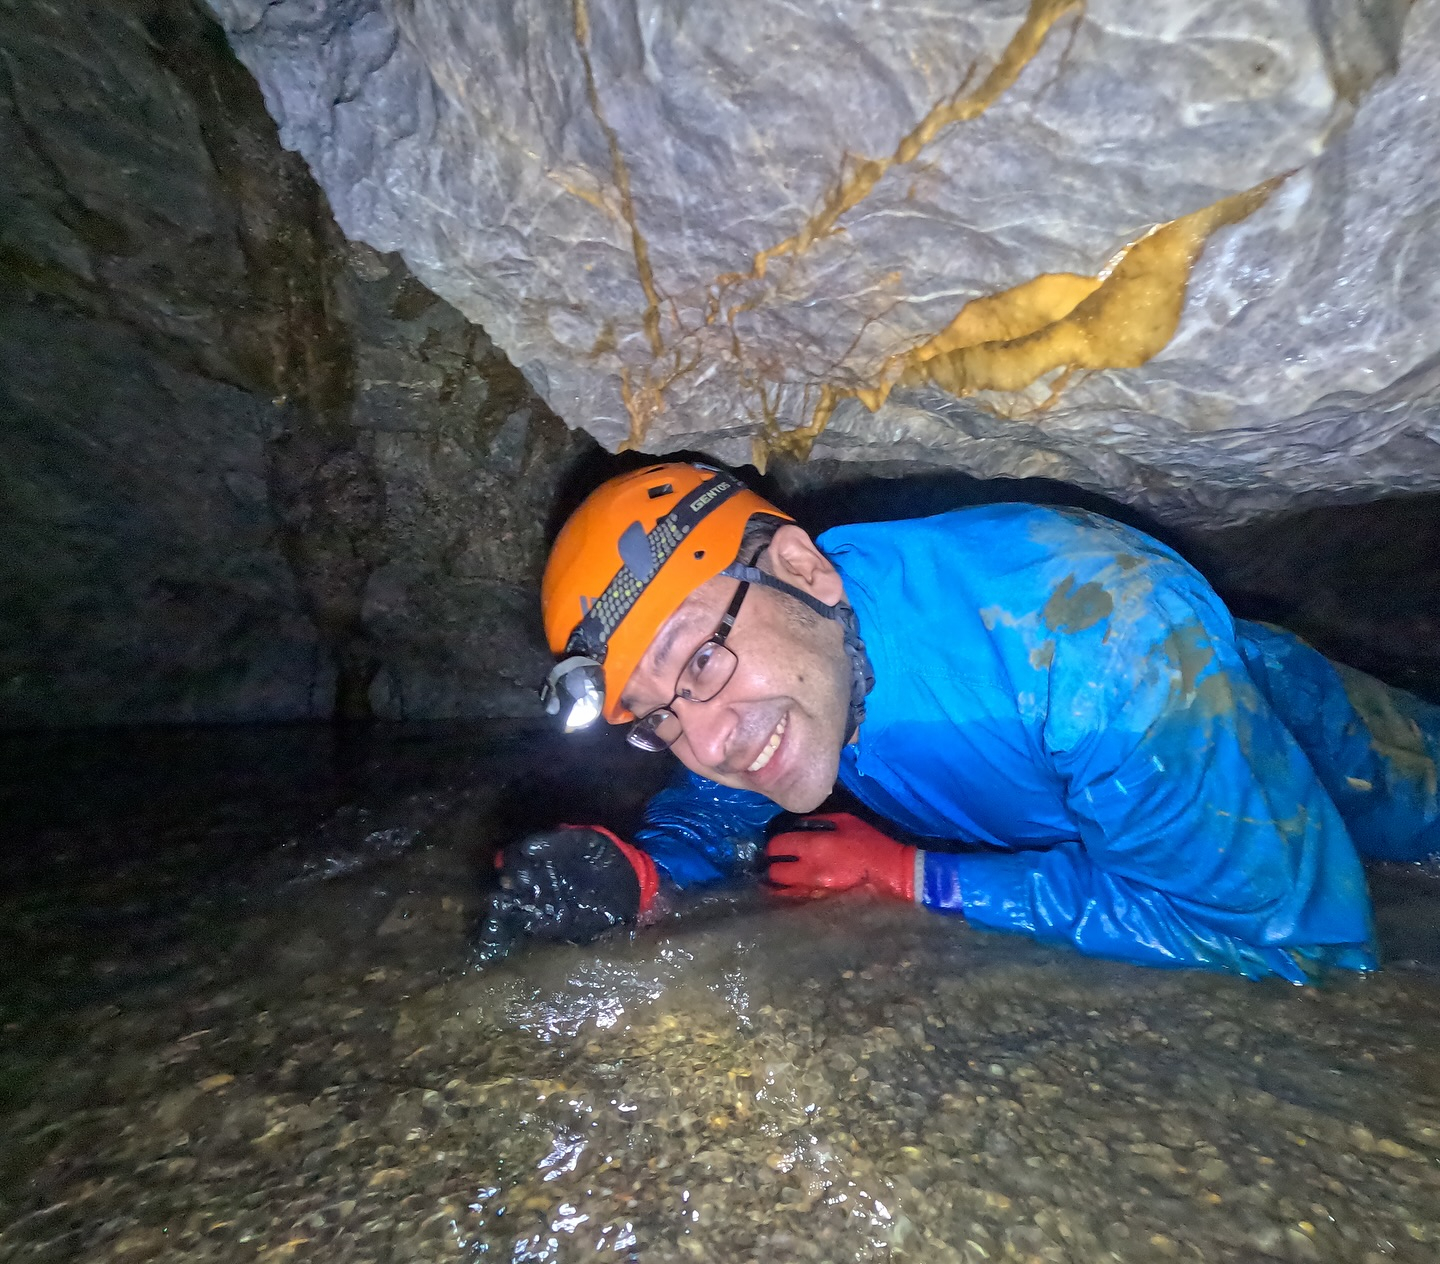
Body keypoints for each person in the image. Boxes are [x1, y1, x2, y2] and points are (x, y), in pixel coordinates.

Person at [478, 462, 1440, 981]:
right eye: (655, 717)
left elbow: (1294, 940)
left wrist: (917, 876)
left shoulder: (1096, 644)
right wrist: (639, 874)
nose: (711, 740)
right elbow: (714, 801)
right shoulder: (793, 647)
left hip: (1364, 773)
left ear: (805, 570)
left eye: (697, 658)